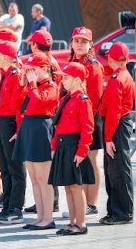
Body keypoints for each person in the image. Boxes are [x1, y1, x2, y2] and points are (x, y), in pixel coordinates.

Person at [13, 52, 59, 230]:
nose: (30, 72)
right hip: (28, 127)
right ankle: (40, 217)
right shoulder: (32, 85)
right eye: (29, 69)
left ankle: (48, 218)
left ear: (45, 69)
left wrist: (31, 84)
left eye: (34, 69)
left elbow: (40, 102)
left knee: (43, 178)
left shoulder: (51, 85)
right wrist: (24, 83)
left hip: (41, 128)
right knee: (34, 178)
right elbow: (19, 103)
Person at [49, 62, 95, 236]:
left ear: (77, 80)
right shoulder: (65, 98)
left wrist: (82, 151)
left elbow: (87, 128)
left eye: (66, 77)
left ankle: (81, 223)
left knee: (76, 187)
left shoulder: (83, 100)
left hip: (74, 147)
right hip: (63, 145)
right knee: (68, 186)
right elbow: (58, 126)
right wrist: (54, 145)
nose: (63, 80)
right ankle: (72, 222)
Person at [62, 27, 104, 218]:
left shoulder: (92, 66)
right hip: (74, 118)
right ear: (71, 43)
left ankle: (91, 204)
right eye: (76, 41)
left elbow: (93, 99)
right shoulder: (74, 62)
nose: (79, 45)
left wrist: (81, 121)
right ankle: (83, 204)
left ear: (90, 45)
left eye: (83, 41)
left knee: (90, 161)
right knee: (82, 162)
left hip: (88, 118)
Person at [0, 41, 26, 225]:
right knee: (5, 168)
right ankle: (7, 205)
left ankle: (16, 209)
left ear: (5, 57)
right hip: (1, 121)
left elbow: (19, 105)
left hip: (10, 123)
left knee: (15, 169)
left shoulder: (15, 73)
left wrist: (19, 130)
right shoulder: (6, 74)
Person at [99, 42, 134, 225]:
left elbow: (113, 112)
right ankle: (117, 210)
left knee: (117, 171)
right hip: (121, 124)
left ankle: (121, 213)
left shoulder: (117, 80)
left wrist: (108, 139)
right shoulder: (124, 75)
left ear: (111, 58)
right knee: (118, 169)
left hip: (117, 126)